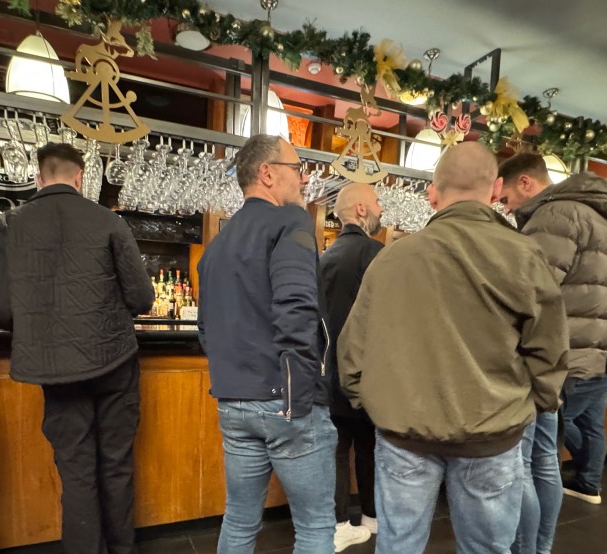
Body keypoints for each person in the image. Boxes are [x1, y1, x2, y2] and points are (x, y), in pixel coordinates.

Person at [339, 142, 569, 554]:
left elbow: (352, 353)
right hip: (492, 434)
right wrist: (531, 406)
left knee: (398, 548)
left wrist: (373, 404)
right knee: (487, 549)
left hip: (404, 435)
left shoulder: (391, 259)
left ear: (432, 193)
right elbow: (550, 351)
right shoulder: (524, 255)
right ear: (497, 189)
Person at [0, 143, 155, 554]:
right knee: (115, 464)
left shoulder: (8, 224)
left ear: (38, 178)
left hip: (55, 367)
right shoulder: (108, 222)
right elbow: (142, 299)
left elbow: (0, 310)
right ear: (81, 178)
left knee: (76, 470)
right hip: (114, 360)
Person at [197, 134, 337, 554]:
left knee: (239, 520)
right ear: (268, 173)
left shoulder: (218, 243)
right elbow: (297, 308)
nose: (304, 179)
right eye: (297, 169)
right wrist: (296, 396)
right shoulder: (291, 222)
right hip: (284, 401)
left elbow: (206, 327)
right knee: (314, 527)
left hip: (233, 401)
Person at [499, 153, 607, 551]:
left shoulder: (554, 217)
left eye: (506, 198)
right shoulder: (591, 215)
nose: (506, 207)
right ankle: (541, 547)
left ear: (525, 183)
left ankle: (527, 550)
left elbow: (530, 292)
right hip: (576, 356)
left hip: (547, 356)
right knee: (545, 459)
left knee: (523, 462)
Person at [319, 183, 384, 551]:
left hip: (329, 371)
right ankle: (372, 516)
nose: (381, 210)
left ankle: (340, 522)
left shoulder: (324, 257)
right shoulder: (378, 254)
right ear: (361, 209)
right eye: (376, 202)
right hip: (369, 370)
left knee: (338, 450)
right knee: (371, 446)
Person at [561, 340, 607, 504]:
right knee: (592, 425)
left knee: (558, 420)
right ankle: (589, 482)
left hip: (587, 370)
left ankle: (587, 476)